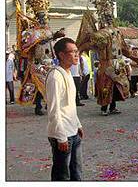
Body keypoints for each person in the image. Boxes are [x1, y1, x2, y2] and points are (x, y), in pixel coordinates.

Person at [77, 0, 138, 116]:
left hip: (113, 63)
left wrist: (136, 59)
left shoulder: (112, 33)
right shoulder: (109, 33)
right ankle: (105, 108)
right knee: (108, 86)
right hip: (108, 64)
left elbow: (124, 50)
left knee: (114, 87)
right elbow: (124, 50)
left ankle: (111, 107)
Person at [16, 0, 65, 116]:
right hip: (38, 64)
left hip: (50, 62)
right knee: (38, 87)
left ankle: (50, 105)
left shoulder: (48, 30)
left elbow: (50, 41)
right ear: (37, 17)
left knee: (51, 86)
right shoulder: (32, 32)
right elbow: (27, 44)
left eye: (45, 16)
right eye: (41, 16)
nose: (44, 19)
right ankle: (38, 107)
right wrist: (52, 36)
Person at [46, 37, 83, 181]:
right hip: (62, 135)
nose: (76, 55)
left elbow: (69, 106)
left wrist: (78, 124)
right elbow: (54, 110)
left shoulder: (68, 73)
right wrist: (61, 137)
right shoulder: (55, 76)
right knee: (62, 176)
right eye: (72, 52)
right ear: (61, 55)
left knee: (77, 173)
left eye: (77, 51)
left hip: (73, 131)